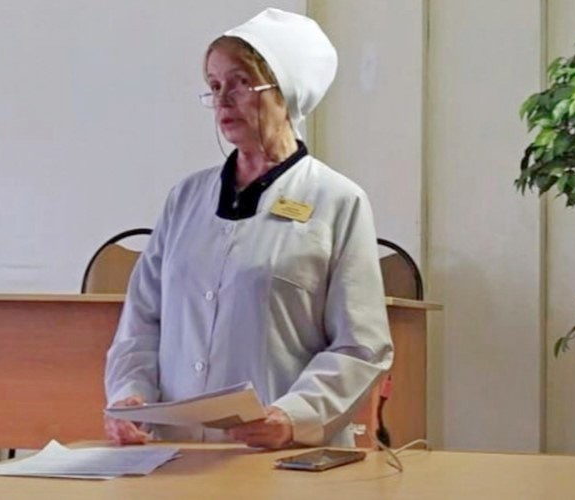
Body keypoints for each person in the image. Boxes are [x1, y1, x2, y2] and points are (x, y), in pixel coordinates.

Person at [104, 8, 393, 449]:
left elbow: (361, 345)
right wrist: (130, 395)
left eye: (240, 83)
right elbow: (141, 323)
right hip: (178, 452)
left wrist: (295, 415)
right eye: (215, 85)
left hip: (282, 454)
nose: (223, 100)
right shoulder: (186, 198)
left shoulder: (338, 200)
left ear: (286, 92)